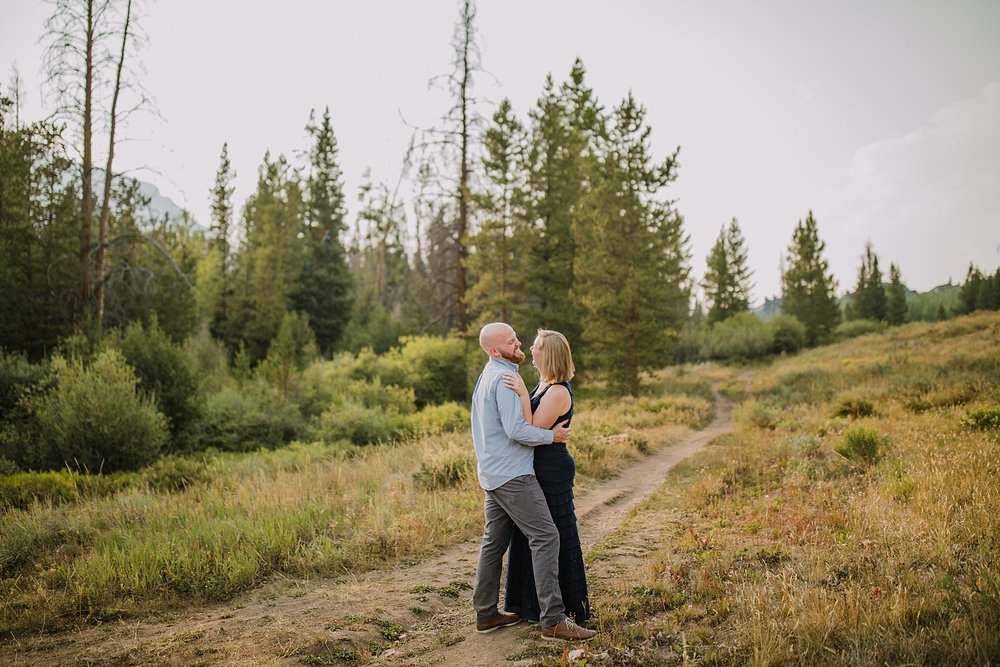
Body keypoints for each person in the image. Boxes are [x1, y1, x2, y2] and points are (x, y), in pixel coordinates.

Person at [470, 322, 597, 642]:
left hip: (492, 474)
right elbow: (518, 430)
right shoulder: (505, 379)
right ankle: (553, 619)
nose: (520, 344)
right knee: (546, 537)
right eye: (510, 341)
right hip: (513, 475)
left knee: (494, 543)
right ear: (493, 350)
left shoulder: (488, 376)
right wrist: (550, 435)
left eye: (517, 338)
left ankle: (485, 613)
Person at [501, 329, 590, 626]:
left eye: (537, 346)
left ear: (547, 354)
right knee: (534, 535)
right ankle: (529, 605)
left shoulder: (558, 391)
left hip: (552, 471)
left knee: (554, 534)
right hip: (537, 468)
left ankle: (566, 606)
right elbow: (539, 432)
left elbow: (531, 428)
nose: (531, 349)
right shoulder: (544, 384)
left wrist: (523, 395)